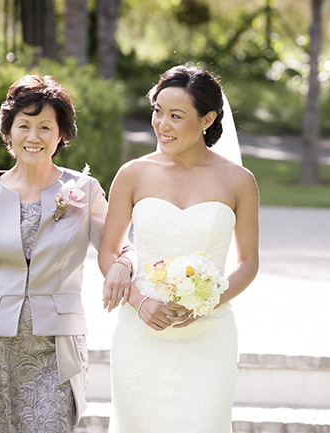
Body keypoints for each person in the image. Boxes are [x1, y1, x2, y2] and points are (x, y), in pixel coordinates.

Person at [0, 74, 134, 432]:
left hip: (57, 345)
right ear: (8, 131)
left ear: (61, 134)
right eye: (24, 125)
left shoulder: (83, 189)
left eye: (45, 127)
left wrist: (126, 262)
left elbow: (121, 243)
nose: (33, 137)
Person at [98, 65, 260, 432]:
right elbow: (108, 251)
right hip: (142, 331)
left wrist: (208, 302)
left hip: (210, 334)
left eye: (176, 115)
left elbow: (248, 263)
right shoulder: (132, 174)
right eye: (157, 111)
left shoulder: (240, 182)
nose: (162, 124)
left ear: (208, 119)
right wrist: (140, 302)